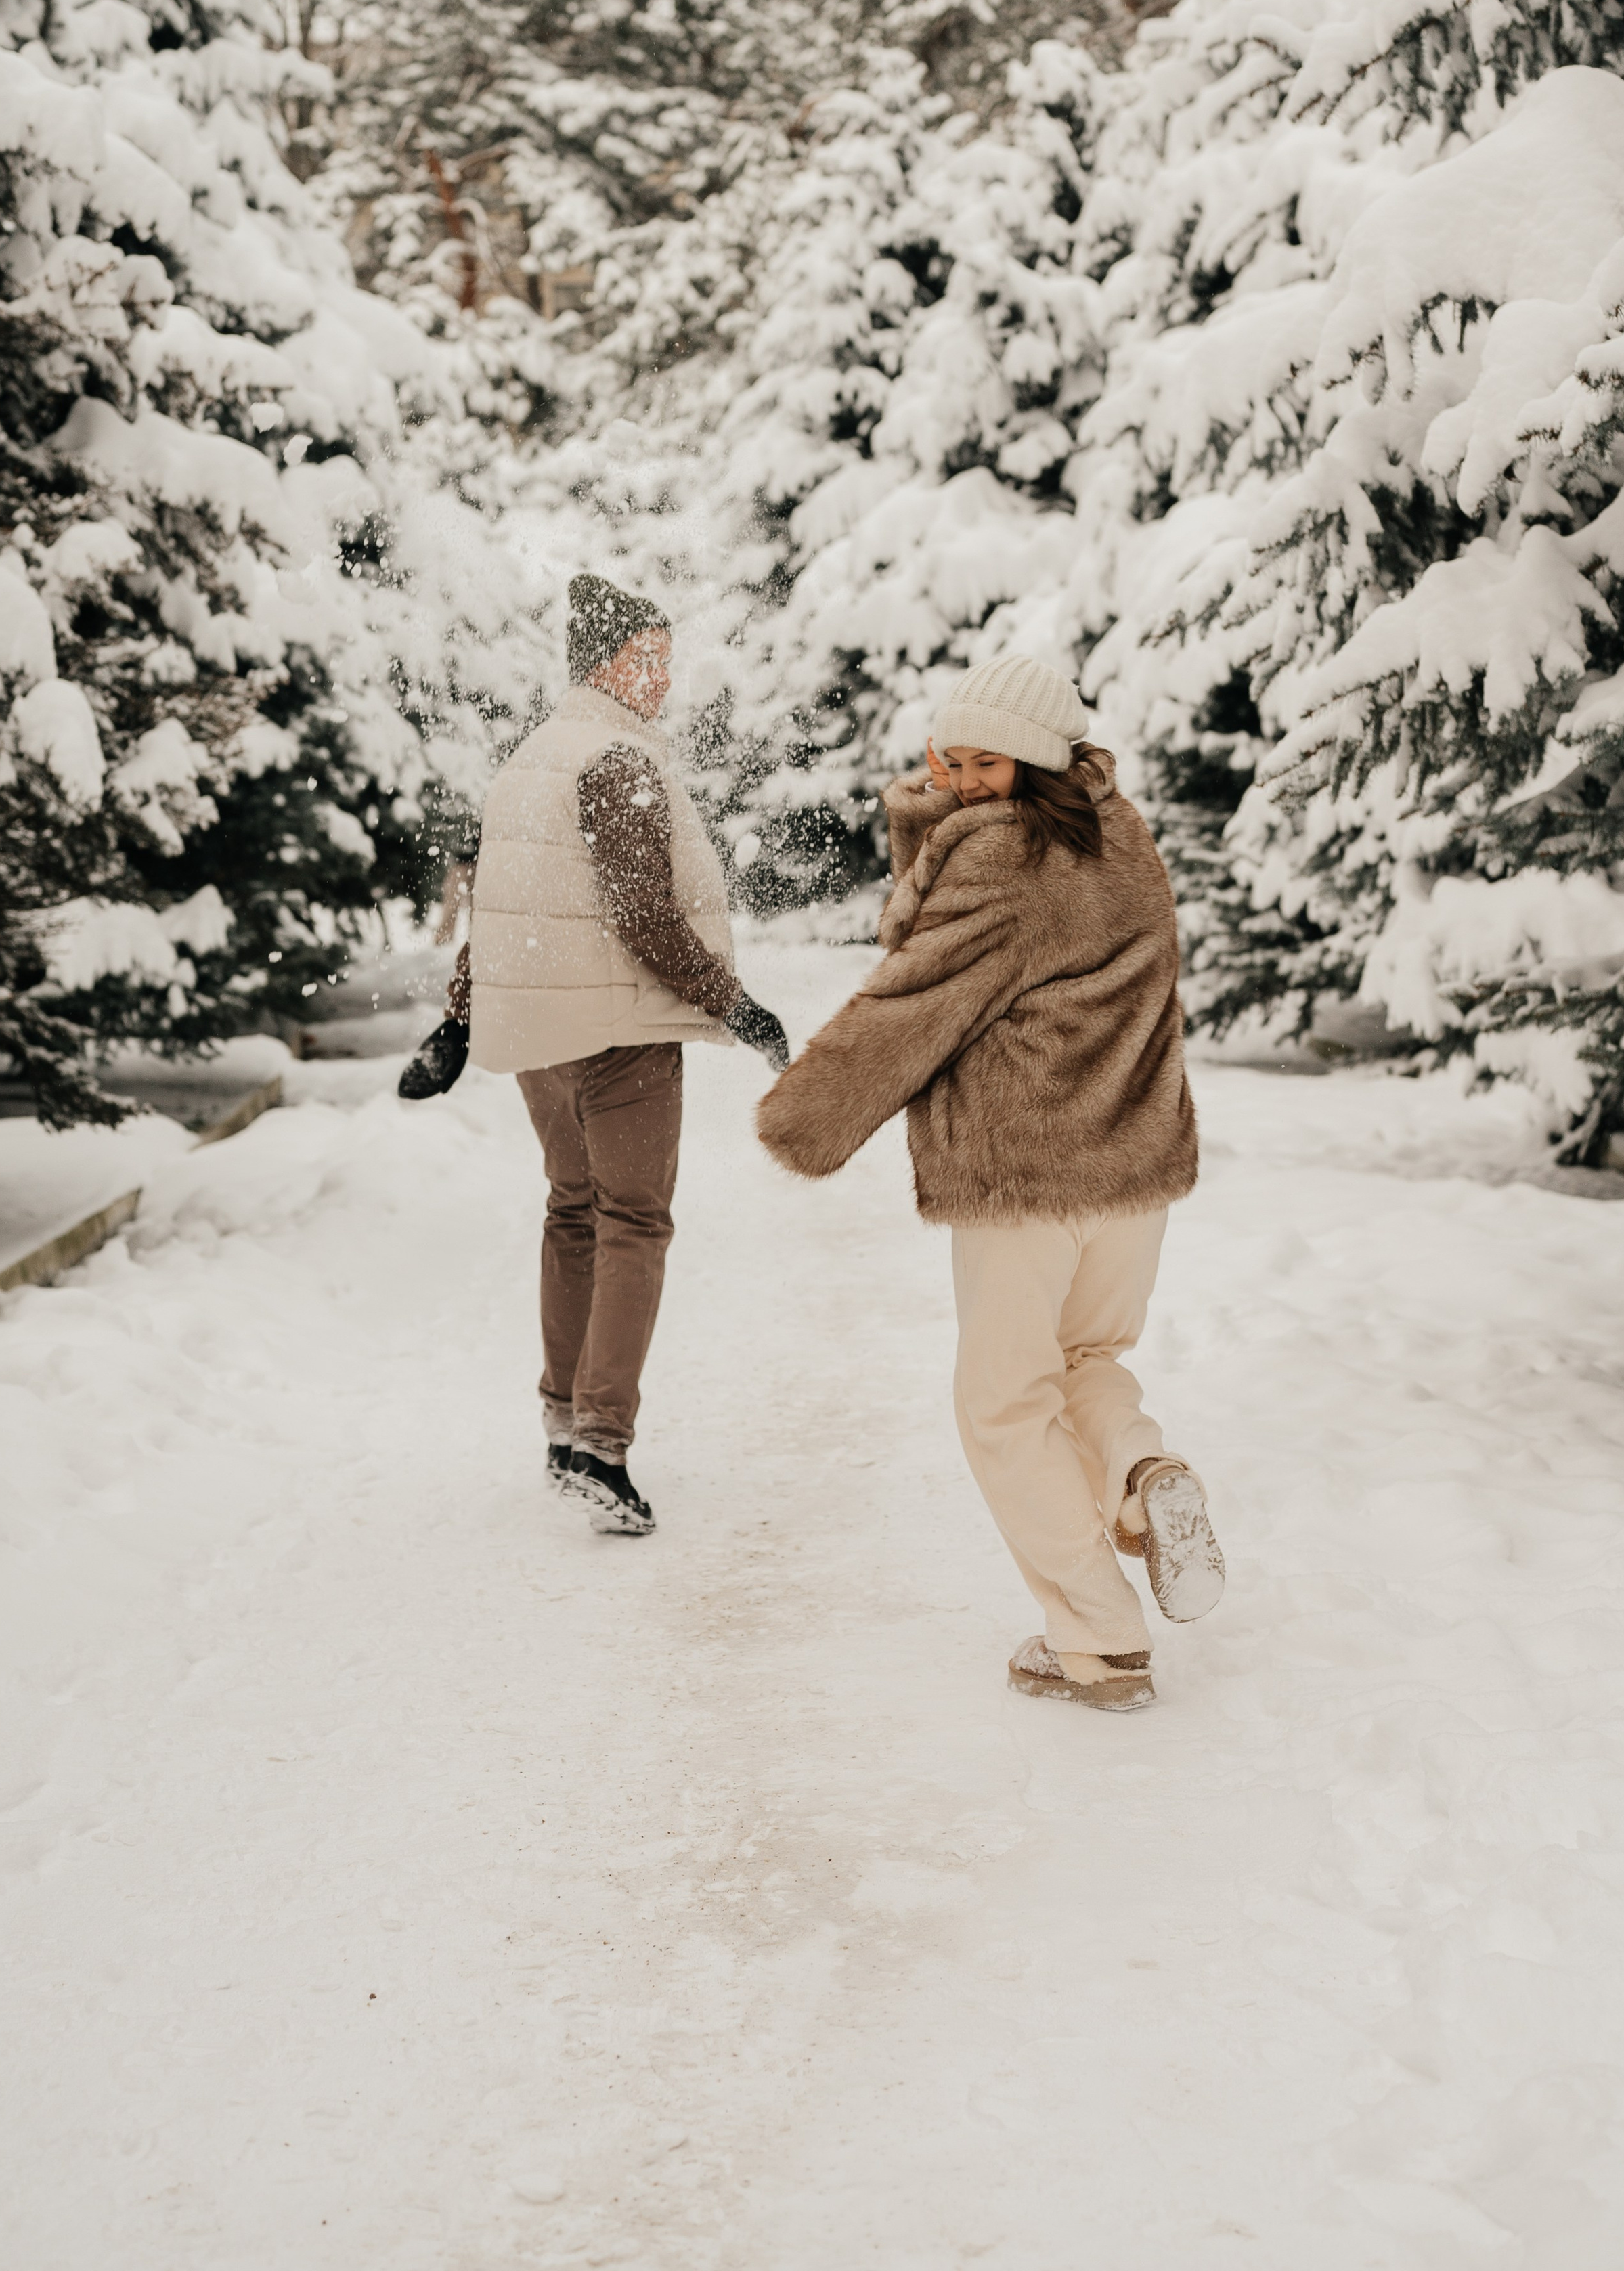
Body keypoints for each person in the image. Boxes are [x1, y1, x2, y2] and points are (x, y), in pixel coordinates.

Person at [755, 654, 1221, 1711]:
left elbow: (913, 995)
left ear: (1038, 759)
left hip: (1026, 1177)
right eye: (948, 760)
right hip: (1130, 1172)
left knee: (1003, 1408)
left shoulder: (1000, 860)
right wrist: (941, 821)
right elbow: (980, 936)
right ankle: (1145, 1478)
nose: (963, 781)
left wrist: (803, 1120)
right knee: (1086, 1357)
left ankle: (1099, 1642)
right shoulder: (1120, 832)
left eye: (984, 764)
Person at [410, 573, 789, 1537]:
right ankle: (602, 1446)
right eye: (653, 659)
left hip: (542, 1038)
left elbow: (506, 912)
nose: (665, 679)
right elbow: (643, 915)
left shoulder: (530, 758)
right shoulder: (617, 760)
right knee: (634, 1223)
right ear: (613, 663)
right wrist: (732, 1005)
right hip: (620, 1037)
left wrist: (460, 1019)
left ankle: (560, 1423)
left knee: (573, 1212)